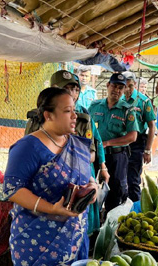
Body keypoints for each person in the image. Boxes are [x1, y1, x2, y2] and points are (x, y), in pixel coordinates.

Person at [4, 87, 99, 266]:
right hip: (37, 244)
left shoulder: (76, 145)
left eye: (74, 109)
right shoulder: (28, 147)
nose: (75, 116)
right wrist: (51, 208)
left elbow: (86, 176)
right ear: (48, 115)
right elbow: (13, 189)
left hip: (75, 239)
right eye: (67, 111)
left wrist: (94, 187)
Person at [25, 70, 109, 235]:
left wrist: (84, 168)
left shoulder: (83, 117)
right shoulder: (36, 119)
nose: (72, 93)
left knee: (76, 224)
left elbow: (91, 153)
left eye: (75, 89)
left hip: (76, 178)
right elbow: (27, 155)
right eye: (67, 89)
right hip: (45, 183)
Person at [88, 73, 139, 212]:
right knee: (91, 188)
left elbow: (132, 136)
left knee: (116, 192)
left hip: (117, 157)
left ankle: (110, 223)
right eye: (114, 86)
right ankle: (95, 224)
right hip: (95, 156)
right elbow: (86, 128)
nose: (116, 90)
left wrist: (107, 143)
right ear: (108, 86)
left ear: (124, 91)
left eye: (120, 88)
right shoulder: (94, 106)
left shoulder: (127, 110)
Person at [121, 71, 156, 202]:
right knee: (119, 179)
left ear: (135, 84)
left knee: (133, 180)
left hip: (137, 142)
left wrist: (148, 150)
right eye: (124, 86)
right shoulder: (118, 100)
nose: (127, 89)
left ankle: (135, 212)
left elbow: (152, 126)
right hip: (120, 142)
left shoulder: (143, 101)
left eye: (130, 86)